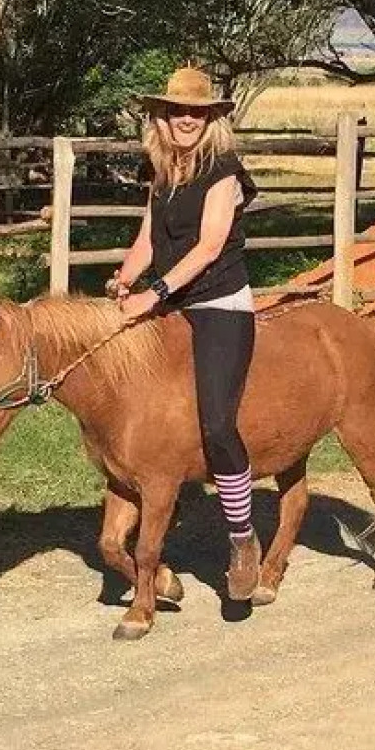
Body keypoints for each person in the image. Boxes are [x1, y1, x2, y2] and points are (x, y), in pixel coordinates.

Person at [108, 66, 261, 600]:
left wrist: (155, 294)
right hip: (172, 301)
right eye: (177, 111)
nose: (186, 120)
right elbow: (149, 237)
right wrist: (126, 277)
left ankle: (242, 539)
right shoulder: (163, 171)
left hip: (219, 302)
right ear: (161, 117)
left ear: (212, 118)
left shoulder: (223, 171)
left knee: (217, 423)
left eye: (197, 112)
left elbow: (210, 246)